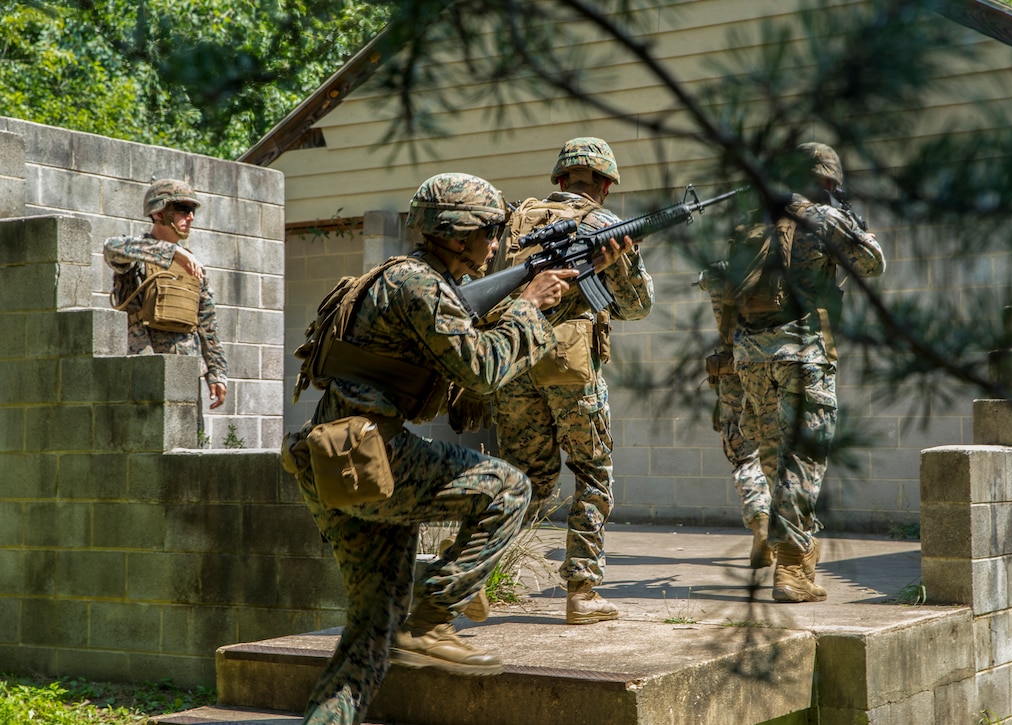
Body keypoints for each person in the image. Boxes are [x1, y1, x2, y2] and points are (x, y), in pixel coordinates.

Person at [283, 172, 633, 724]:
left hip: (339, 462)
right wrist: (530, 305)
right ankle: (436, 613)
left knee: (373, 635)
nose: (496, 244)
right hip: (374, 453)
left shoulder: (408, 282)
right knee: (509, 488)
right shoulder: (418, 287)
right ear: (454, 232)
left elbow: (464, 355)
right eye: (488, 231)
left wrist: (592, 268)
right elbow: (485, 369)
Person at [490, 137, 655, 625]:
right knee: (592, 471)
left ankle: (476, 574)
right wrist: (619, 265)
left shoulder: (516, 219)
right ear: (604, 185)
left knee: (526, 478)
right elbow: (635, 307)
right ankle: (582, 593)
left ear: (560, 180)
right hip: (570, 365)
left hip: (514, 359)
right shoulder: (605, 224)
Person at [731, 142, 886, 603]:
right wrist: (858, 226)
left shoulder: (751, 221)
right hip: (802, 355)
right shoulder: (822, 218)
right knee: (802, 463)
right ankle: (793, 568)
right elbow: (873, 263)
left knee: (775, 458)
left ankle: (791, 553)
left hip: (752, 357)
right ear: (829, 182)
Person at [103, 179, 227, 438]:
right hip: (144, 366)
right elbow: (110, 248)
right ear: (159, 213)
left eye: (193, 211)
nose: (191, 217)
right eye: (183, 209)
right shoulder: (135, 255)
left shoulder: (194, 266)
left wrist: (216, 373)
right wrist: (172, 253)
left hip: (185, 370)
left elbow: (207, 326)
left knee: (190, 444)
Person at [697, 264, 772, 569]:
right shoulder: (795, 260)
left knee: (745, 457)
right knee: (789, 456)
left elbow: (704, 280)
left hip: (734, 370)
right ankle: (795, 543)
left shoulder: (718, 271)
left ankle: (761, 522)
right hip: (787, 369)